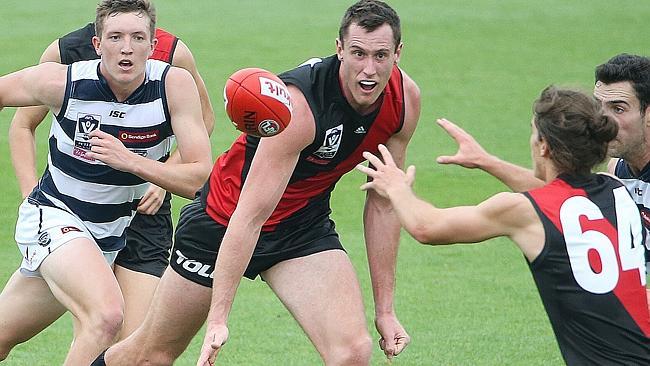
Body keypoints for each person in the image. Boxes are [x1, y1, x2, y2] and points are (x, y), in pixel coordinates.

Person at [93, 1, 420, 365]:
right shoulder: (301, 108)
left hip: (300, 227)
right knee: (151, 355)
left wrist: (385, 310)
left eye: (381, 55)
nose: (369, 70)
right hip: (223, 222)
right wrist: (218, 319)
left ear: (398, 53)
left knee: (352, 352)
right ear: (339, 48)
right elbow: (248, 216)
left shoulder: (403, 102)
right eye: (358, 53)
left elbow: (383, 200)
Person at [358, 86, 650, 365]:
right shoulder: (616, 190)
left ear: (544, 147)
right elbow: (560, 192)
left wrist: (396, 187)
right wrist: (487, 161)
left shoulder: (521, 210)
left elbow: (426, 227)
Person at [0, 0, 212, 364]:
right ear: (98, 44)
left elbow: (198, 178)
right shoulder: (62, 81)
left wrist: (131, 161)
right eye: (115, 37)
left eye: (136, 38)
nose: (126, 48)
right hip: (54, 216)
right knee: (106, 315)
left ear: (152, 44)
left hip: (110, 234)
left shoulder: (173, 86)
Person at [435, 53, 650, 307]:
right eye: (598, 107)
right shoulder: (619, 169)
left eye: (618, 108)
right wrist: (486, 161)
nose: (602, 122)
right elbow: (566, 200)